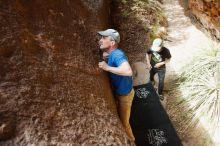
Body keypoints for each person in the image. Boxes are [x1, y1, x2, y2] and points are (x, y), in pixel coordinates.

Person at [98, 29, 135, 141]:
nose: (100, 40)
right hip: (121, 92)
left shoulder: (118, 54)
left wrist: (107, 67)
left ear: (112, 43)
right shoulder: (113, 53)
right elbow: (113, 57)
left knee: (124, 124)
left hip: (125, 97)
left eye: (104, 38)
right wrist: (107, 56)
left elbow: (128, 71)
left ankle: (132, 140)